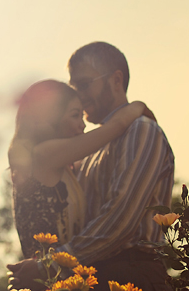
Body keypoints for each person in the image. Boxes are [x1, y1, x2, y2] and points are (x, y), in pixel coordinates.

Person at [8, 42, 175, 291]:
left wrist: (49, 265)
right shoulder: (86, 150)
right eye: (74, 87)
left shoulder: (140, 130)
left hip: (131, 273)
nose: (79, 94)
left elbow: (120, 221)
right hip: (88, 273)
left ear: (116, 81)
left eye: (85, 84)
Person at [9, 80, 154, 258]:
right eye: (75, 115)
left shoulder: (55, 162)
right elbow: (116, 126)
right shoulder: (44, 155)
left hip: (58, 273)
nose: (83, 124)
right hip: (48, 276)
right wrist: (139, 106)